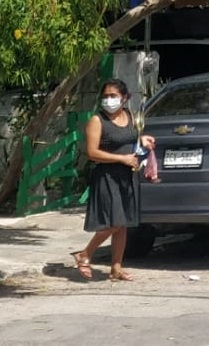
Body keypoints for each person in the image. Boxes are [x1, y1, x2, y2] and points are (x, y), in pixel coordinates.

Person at [74, 79, 155, 282]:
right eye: (105, 96)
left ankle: (116, 268)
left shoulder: (130, 116)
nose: (108, 100)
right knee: (114, 223)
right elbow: (92, 153)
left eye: (113, 96)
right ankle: (84, 254)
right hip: (107, 176)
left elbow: (131, 140)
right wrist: (122, 158)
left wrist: (142, 141)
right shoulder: (97, 121)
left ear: (125, 98)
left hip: (127, 176)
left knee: (123, 224)